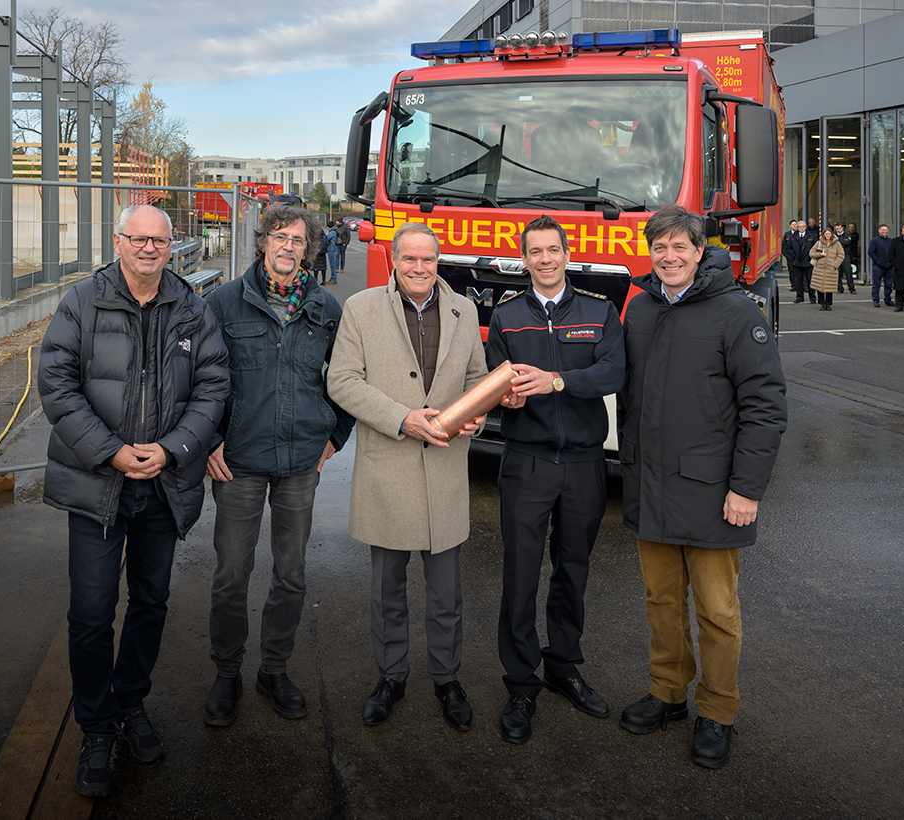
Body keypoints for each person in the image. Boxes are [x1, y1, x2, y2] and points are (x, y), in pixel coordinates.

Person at [38, 204, 230, 798]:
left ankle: (132, 702)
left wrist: (172, 450)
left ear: (172, 246)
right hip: (100, 486)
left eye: (159, 239)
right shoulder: (82, 303)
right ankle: (96, 727)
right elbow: (57, 383)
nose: (149, 248)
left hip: (164, 487)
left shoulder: (192, 308)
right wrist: (112, 452)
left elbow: (213, 386)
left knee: (151, 603)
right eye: (137, 238)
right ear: (118, 241)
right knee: (93, 614)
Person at [616, 205, 787, 770]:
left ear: (698, 250)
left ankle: (717, 712)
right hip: (650, 485)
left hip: (714, 491)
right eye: (658, 247)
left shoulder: (736, 312)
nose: (668, 257)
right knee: (661, 602)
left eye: (678, 248)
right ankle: (667, 694)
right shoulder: (639, 310)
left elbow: (765, 408)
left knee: (717, 611)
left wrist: (747, 489)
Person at [326, 221, 488, 732]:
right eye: (410, 259)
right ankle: (390, 676)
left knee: (446, 595)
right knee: (386, 590)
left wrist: (478, 409)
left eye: (428, 259)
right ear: (394, 259)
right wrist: (401, 417)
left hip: (444, 471)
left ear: (438, 261)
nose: (419, 268)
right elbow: (342, 380)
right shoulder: (361, 308)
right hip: (387, 473)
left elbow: (477, 378)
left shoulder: (465, 311)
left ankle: (447, 679)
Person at [201, 204, 353, 727]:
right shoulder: (223, 303)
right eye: (280, 237)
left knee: (291, 575)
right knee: (230, 575)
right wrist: (209, 440)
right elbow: (201, 379)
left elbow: (350, 376)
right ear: (264, 241)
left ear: (310, 249)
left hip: (299, 464)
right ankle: (226, 673)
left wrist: (336, 434)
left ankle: (274, 669)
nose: (289, 247)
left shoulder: (326, 308)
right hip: (237, 461)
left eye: (299, 240)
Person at [487, 215, 626, 744]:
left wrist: (557, 380)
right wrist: (507, 395)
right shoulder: (507, 317)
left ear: (567, 254)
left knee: (573, 569)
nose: (545, 260)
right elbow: (491, 380)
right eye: (535, 252)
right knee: (521, 574)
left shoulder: (599, 311)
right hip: (526, 461)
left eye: (553, 250)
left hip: (586, 464)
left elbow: (614, 373)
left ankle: (563, 665)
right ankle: (521, 683)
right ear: (524, 260)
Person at [808, 228, 844, 311]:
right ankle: (821, 304)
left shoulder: (837, 244)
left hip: (831, 269)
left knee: (829, 287)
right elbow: (811, 253)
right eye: (826, 234)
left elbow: (841, 255)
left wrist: (835, 265)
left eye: (829, 234)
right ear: (823, 234)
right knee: (819, 287)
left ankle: (828, 304)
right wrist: (820, 254)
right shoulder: (819, 243)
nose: (827, 235)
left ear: (831, 234)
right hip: (819, 268)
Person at [783, 220, 813, 304]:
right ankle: (799, 297)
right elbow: (788, 247)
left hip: (807, 262)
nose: (801, 228)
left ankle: (812, 297)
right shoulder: (793, 236)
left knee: (809, 280)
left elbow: (815, 247)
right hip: (797, 262)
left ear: (806, 227)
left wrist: (810, 257)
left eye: (803, 226)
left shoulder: (811, 236)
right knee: (798, 281)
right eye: (800, 227)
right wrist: (794, 255)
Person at [867, 224, 894, 306]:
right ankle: (875, 299)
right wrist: (878, 261)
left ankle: (888, 299)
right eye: (882, 230)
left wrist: (892, 262)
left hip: (889, 266)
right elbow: (870, 252)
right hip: (878, 267)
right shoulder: (874, 240)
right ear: (879, 230)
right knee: (876, 284)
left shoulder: (891, 241)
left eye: (886, 230)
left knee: (889, 284)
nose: (884, 231)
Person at [324, 219, 347, 285]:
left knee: (332, 265)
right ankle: (332, 277)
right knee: (333, 264)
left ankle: (334, 279)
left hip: (332, 249)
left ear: (328, 226)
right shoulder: (335, 231)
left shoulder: (332, 232)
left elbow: (327, 238)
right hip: (335, 249)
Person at [842, 222, 861, 295]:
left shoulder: (853, 234)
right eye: (850, 226)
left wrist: (843, 242)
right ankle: (839, 288)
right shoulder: (845, 235)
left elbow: (848, 242)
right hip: (840, 254)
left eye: (852, 226)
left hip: (851, 252)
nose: (851, 228)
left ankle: (851, 287)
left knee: (849, 271)